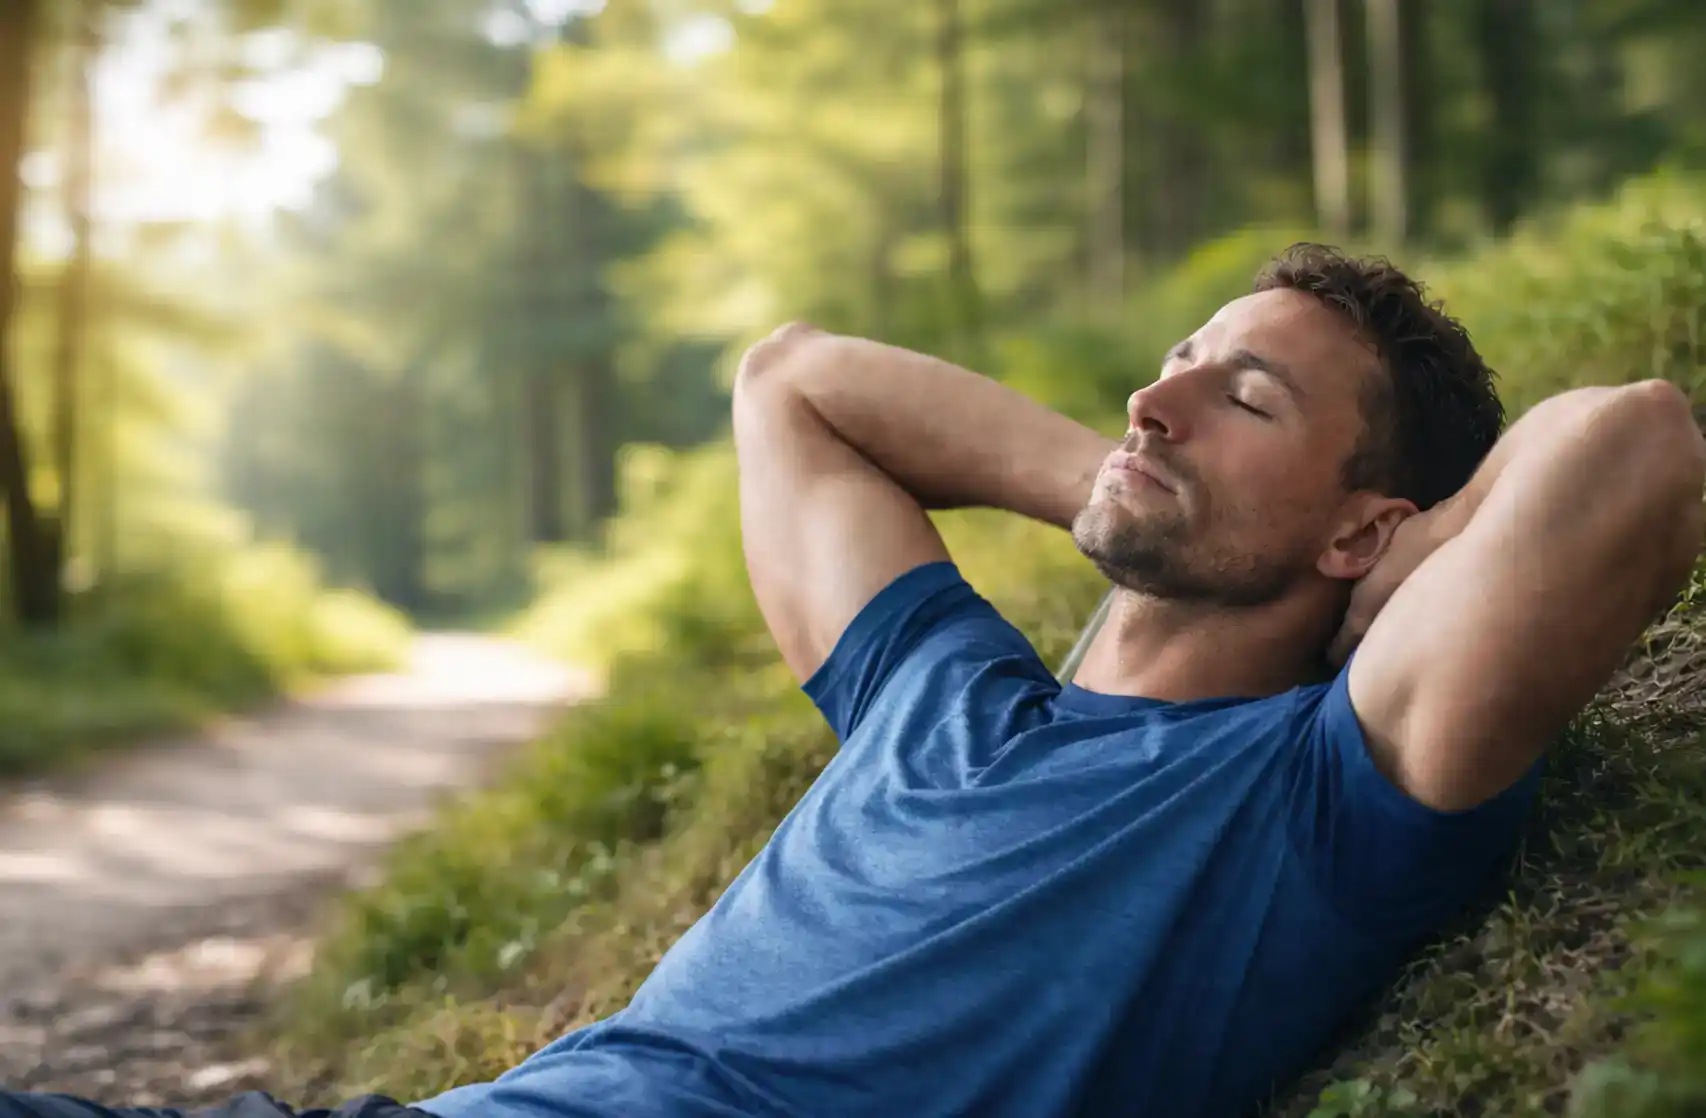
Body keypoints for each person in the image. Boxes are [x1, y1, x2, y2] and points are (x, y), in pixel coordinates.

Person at [5, 244, 1702, 1118]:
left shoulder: (1316, 793)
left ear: (1366, 526)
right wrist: (1134, 486)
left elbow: (1631, 448)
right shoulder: (939, 692)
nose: (1152, 399)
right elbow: (793, 380)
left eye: (1241, 401)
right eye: (1170, 365)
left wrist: (1398, 557)